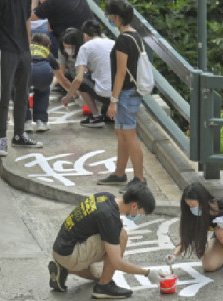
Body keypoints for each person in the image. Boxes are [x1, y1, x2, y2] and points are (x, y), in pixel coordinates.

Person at [48, 182, 156, 299]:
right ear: (134, 206)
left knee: (100, 273)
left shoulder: (106, 197)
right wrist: (147, 273)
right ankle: (104, 286)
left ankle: (64, 270)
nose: (139, 216)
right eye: (141, 212)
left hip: (61, 249)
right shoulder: (109, 216)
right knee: (121, 236)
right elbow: (117, 263)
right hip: (70, 254)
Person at [97, 0, 145, 192]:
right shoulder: (135, 35)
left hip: (125, 94)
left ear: (115, 17)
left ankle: (140, 180)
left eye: (109, 15)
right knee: (122, 134)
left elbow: (121, 73)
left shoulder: (123, 40)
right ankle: (119, 173)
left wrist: (113, 101)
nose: (108, 18)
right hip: (132, 92)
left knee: (129, 135)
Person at [0, 0, 43, 157]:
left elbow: (27, 21)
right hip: (5, 49)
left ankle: (19, 135)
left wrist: (28, 47)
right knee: (4, 94)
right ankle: (2, 138)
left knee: (23, 94)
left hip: (24, 51)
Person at [61, 19, 114, 128]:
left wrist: (68, 96)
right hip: (120, 94)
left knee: (83, 79)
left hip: (105, 93)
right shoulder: (113, 43)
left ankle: (95, 116)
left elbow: (78, 79)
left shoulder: (86, 47)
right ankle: (107, 112)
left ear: (85, 35)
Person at [24, 32, 59, 133]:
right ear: (47, 46)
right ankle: (41, 122)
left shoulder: (25, 48)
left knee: (21, 94)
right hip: (44, 71)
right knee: (43, 92)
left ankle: (26, 122)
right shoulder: (47, 52)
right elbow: (59, 73)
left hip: (26, 71)